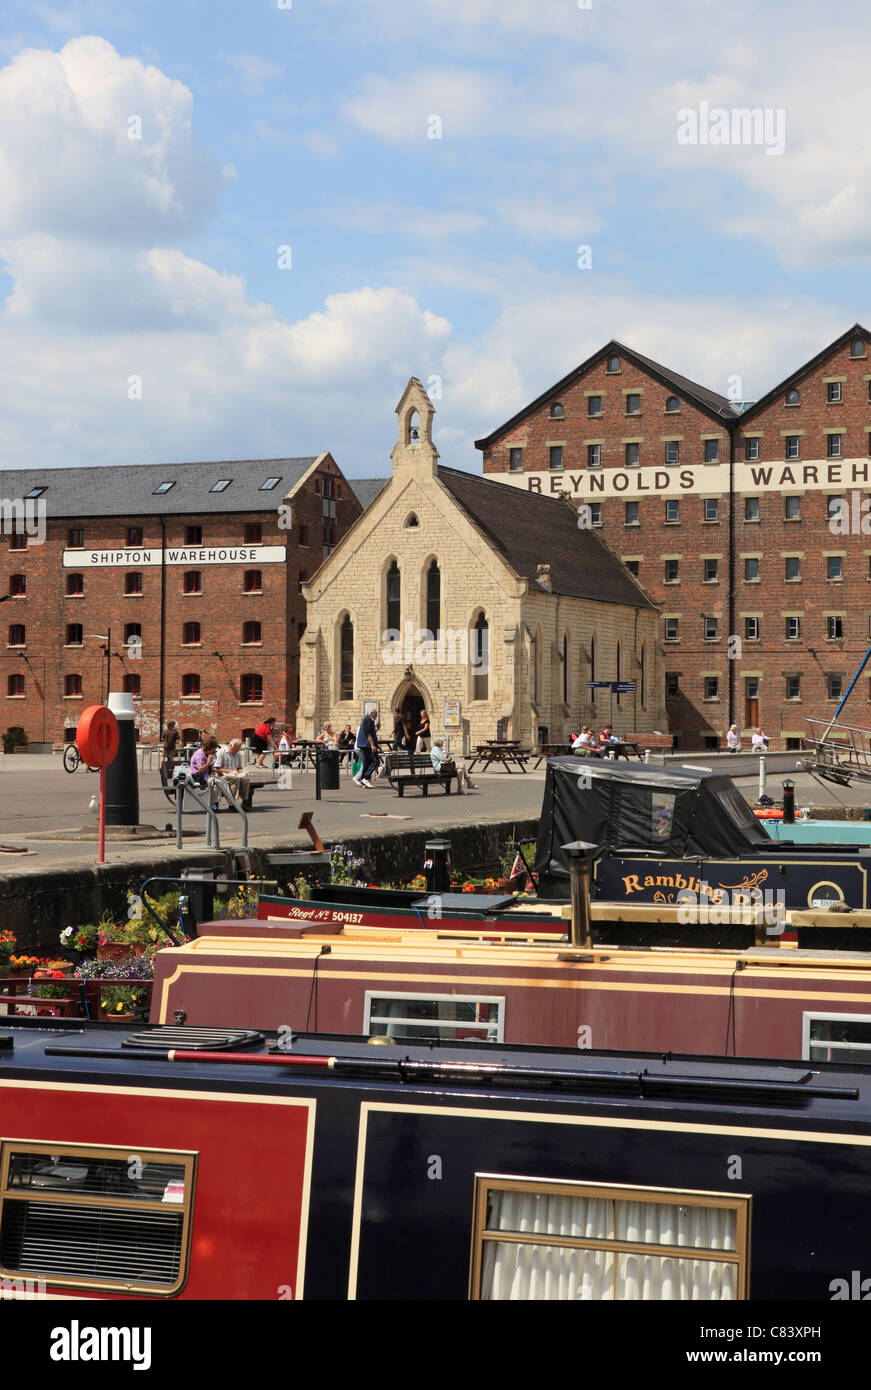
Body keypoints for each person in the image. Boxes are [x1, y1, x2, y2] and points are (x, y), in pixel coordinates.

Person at [213, 738, 252, 809]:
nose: (236, 751)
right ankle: (232, 802)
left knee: (246, 779)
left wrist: (243, 772)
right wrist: (229, 771)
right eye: (235, 749)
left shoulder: (238, 754)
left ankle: (245, 801)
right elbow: (215, 768)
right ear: (230, 746)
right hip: (222, 776)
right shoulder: (221, 752)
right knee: (236, 779)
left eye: (238, 750)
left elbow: (239, 768)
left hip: (234, 775)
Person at [354, 710, 379, 788]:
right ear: (372, 714)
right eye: (376, 715)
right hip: (366, 745)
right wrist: (372, 745)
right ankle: (366, 778)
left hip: (364, 745)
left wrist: (377, 728)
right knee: (375, 761)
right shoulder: (368, 719)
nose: (376, 717)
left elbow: (370, 732)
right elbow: (368, 733)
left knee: (367, 763)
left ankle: (363, 781)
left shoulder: (367, 719)